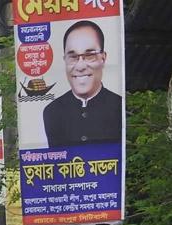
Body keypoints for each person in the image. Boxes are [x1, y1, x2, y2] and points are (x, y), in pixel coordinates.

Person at [42, 20, 122, 148]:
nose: (80, 66)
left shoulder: (121, 106)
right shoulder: (52, 112)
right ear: (65, 60)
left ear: (103, 58)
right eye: (73, 57)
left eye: (89, 55)